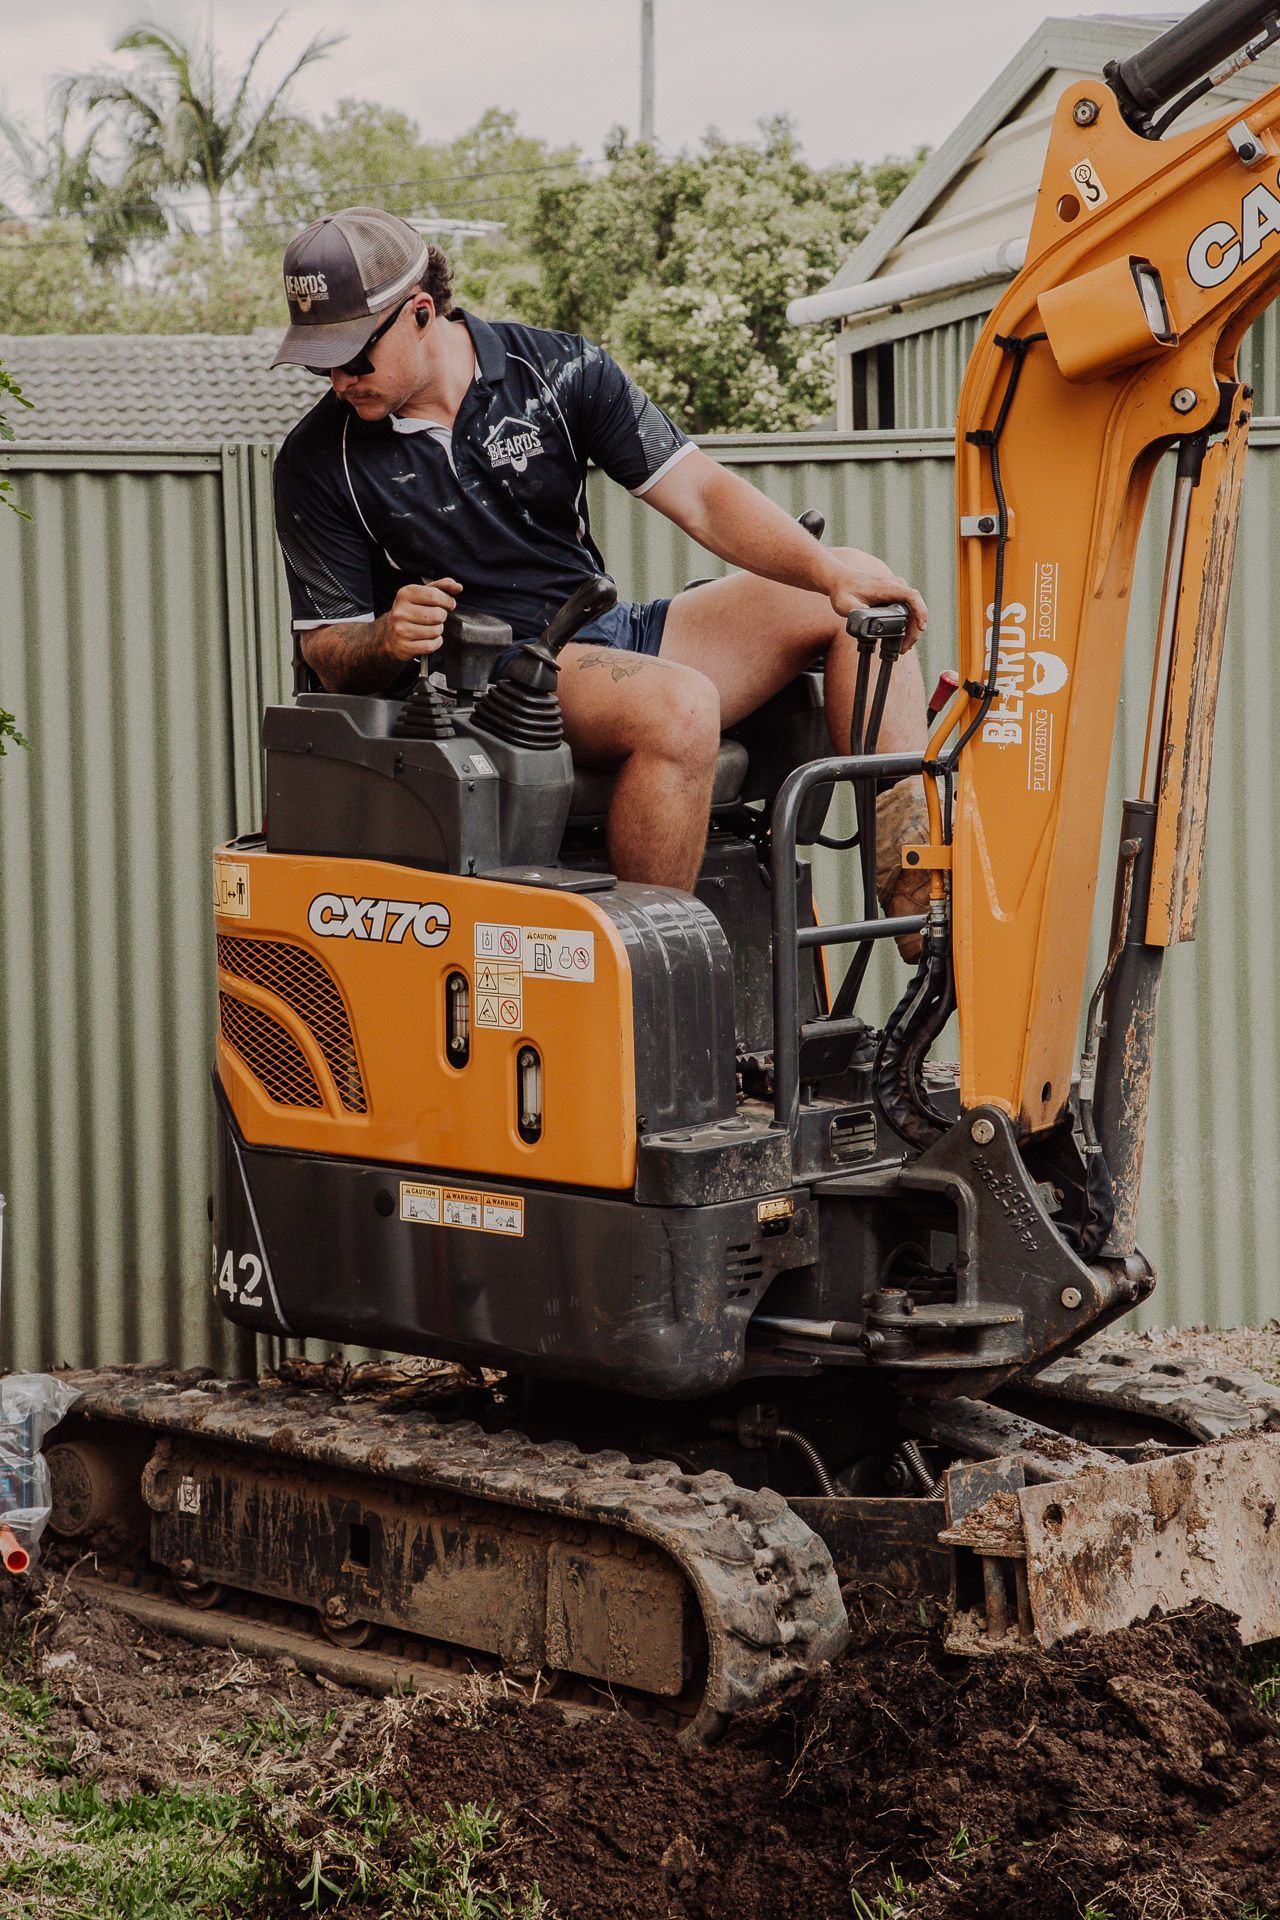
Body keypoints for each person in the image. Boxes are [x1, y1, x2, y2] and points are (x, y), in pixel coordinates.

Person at [271, 206, 930, 912]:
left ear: (420, 312)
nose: (338, 379)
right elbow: (326, 646)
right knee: (677, 707)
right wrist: (385, 637)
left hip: (605, 636)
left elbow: (702, 496)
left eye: (352, 356)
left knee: (864, 606)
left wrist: (827, 570)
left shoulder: (558, 371)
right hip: (489, 687)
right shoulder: (316, 462)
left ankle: (919, 899)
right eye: (320, 363)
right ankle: (654, 977)